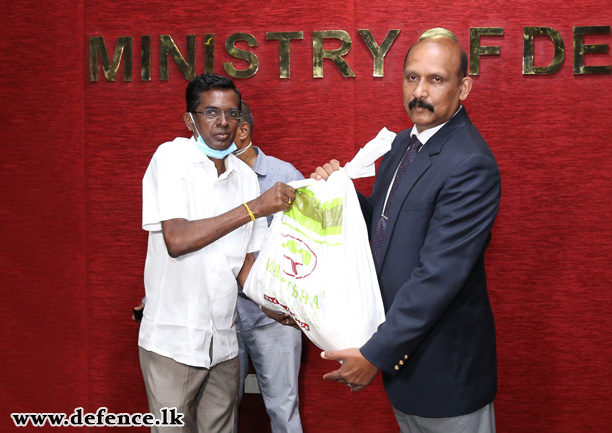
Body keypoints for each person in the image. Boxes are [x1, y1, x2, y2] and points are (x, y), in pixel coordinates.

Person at [311, 32, 501, 433]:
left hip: (444, 370)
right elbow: (385, 222)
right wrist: (341, 195)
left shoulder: (470, 162)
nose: (420, 92)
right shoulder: (402, 144)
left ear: (463, 87)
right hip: (405, 364)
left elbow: (439, 276)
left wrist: (376, 354)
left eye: (436, 80)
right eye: (412, 78)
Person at [138, 73, 296, 433]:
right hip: (172, 345)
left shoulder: (243, 175)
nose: (223, 123)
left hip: (224, 345)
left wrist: (277, 307)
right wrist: (254, 207)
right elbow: (176, 240)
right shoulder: (171, 157)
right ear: (190, 120)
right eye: (211, 112)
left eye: (231, 113)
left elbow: (246, 265)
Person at [233, 101, 304, 433]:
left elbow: (306, 245)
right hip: (221, 316)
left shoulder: (283, 176)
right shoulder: (205, 177)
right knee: (216, 413)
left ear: (243, 130)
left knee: (282, 410)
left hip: (272, 317)